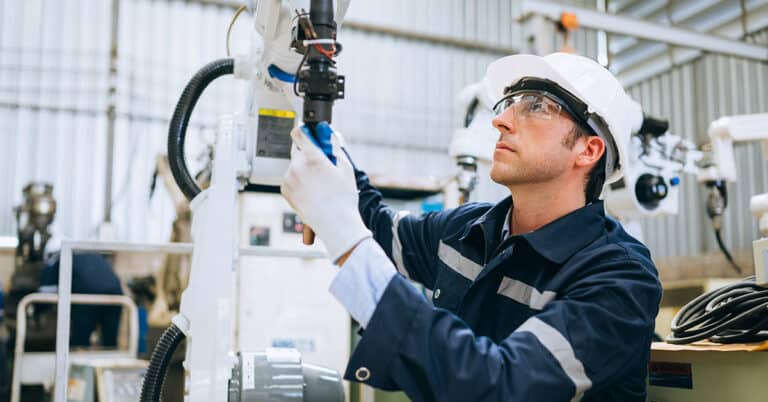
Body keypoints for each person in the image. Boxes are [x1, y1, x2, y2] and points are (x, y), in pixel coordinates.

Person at [281, 52, 662, 402]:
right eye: (509, 104)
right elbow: (382, 231)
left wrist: (347, 238)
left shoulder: (621, 277)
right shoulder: (471, 230)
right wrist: (318, 130)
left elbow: (499, 386)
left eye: (537, 106)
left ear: (588, 150)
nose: (501, 120)